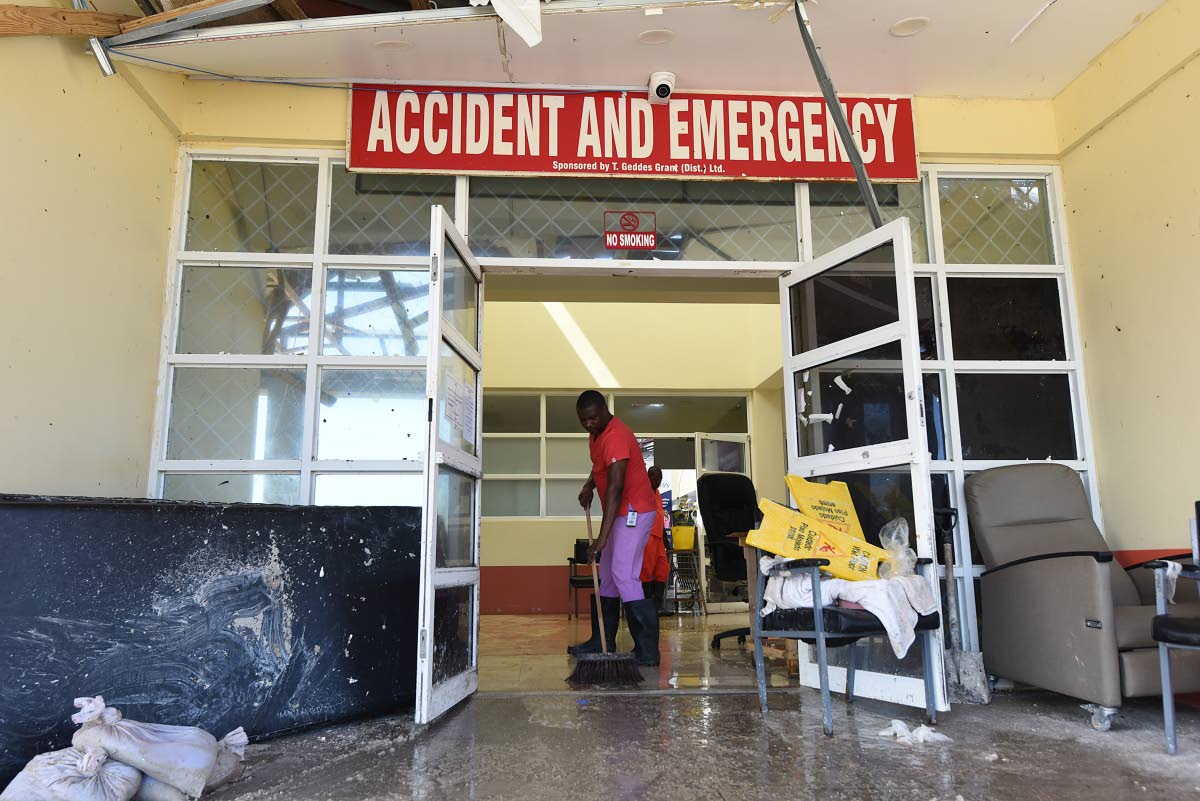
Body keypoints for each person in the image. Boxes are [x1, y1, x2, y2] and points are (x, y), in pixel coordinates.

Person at [567, 390, 660, 666]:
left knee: (623, 573)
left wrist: (600, 540)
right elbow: (600, 467)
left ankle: (647, 651)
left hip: (636, 511)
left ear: (605, 410)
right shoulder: (596, 435)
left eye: (593, 418)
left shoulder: (617, 435)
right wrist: (589, 485)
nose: (589, 424)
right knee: (606, 575)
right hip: (619, 512)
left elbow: (616, 487)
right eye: (583, 420)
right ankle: (601, 641)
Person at [639, 466, 671, 615]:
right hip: (647, 536)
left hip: (658, 537)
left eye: (659, 478)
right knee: (646, 570)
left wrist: (665, 538)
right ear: (648, 477)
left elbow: (659, 515)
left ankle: (657, 606)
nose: (657, 481)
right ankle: (646, 606)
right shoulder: (642, 492)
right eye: (654, 478)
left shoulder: (657, 493)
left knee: (663, 569)